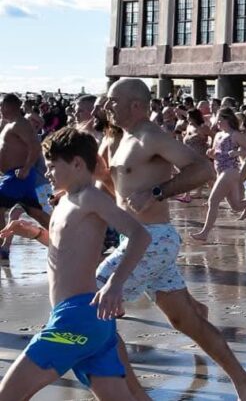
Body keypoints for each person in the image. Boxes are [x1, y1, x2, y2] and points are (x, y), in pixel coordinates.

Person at [98, 79, 246, 400]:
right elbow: (112, 187)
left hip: (150, 240)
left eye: (113, 101)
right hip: (137, 241)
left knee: (91, 301)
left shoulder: (151, 136)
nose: (107, 106)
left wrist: (157, 192)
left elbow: (202, 169)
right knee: (185, 320)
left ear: (135, 105)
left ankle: (133, 396)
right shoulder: (121, 138)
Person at [0, 128, 150, 401]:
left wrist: (115, 284)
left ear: (78, 163)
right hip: (89, 320)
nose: (47, 173)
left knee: (8, 395)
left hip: (76, 319)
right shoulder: (65, 200)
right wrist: (35, 233)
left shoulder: (90, 197)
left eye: (52, 166)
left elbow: (140, 235)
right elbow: (65, 249)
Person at [0, 93, 50, 262]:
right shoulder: (10, 124)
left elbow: (35, 146)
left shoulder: (20, 123)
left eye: (1, 106)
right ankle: (66, 237)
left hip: (18, 176)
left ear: (9, 106)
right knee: (36, 213)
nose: (0, 109)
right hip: (14, 176)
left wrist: (26, 168)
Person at [191, 108, 246, 241]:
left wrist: (237, 153)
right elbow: (216, 153)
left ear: (227, 119)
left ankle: (204, 233)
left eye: (219, 119)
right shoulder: (218, 135)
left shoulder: (235, 135)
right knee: (236, 206)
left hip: (230, 171)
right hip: (220, 171)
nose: (217, 122)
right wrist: (210, 153)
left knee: (213, 201)